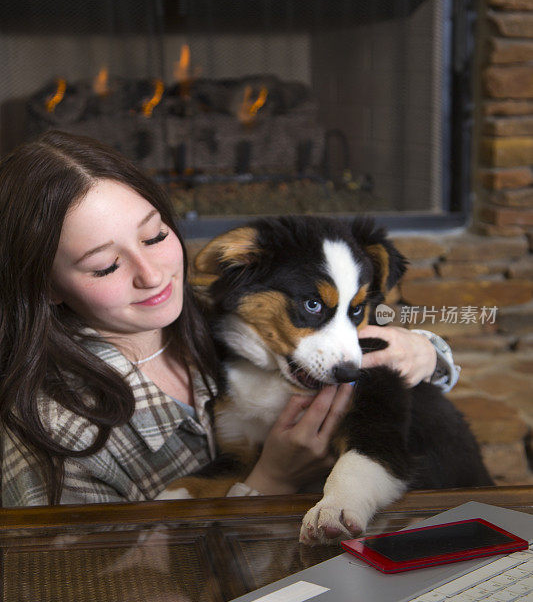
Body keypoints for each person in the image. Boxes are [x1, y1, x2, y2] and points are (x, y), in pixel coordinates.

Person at [0, 131, 458, 507]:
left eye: (156, 235)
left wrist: (424, 351)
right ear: (47, 286)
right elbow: (99, 600)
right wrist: (271, 479)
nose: (153, 274)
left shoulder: (225, 316)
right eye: (105, 266)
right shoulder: (53, 437)